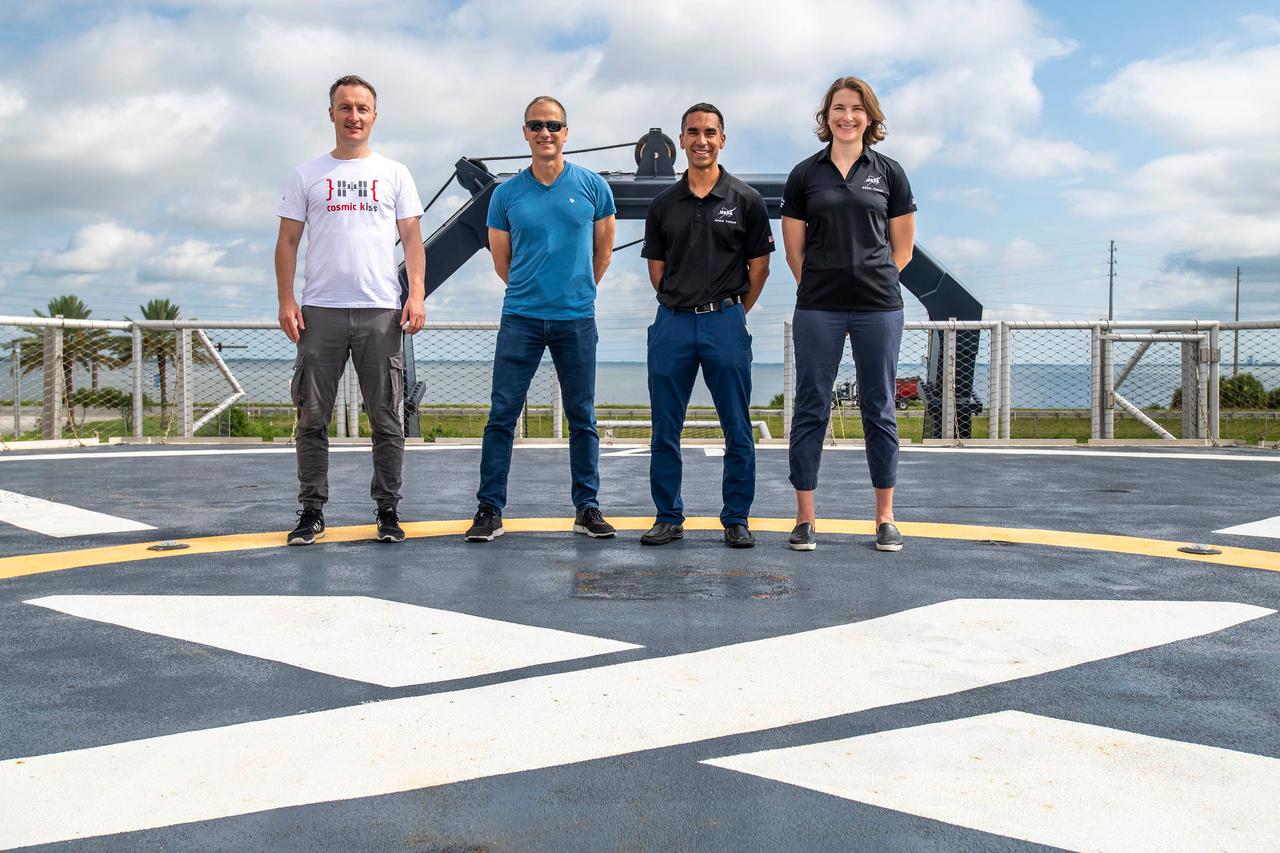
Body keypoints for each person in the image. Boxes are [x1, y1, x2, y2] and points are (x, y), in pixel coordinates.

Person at [276, 74, 425, 546]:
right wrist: (286, 300)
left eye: (362, 108)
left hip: (381, 310)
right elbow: (287, 242)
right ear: (332, 114)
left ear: (374, 116)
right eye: (345, 107)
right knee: (312, 416)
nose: (353, 116)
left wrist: (416, 294)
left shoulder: (395, 173)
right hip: (320, 311)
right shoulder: (307, 174)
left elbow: (413, 240)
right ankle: (312, 511)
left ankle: (387, 510)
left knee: (386, 417)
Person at [465, 96, 617, 542]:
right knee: (501, 416)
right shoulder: (506, 194)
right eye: (536, 125)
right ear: (525, 132)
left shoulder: (593, 187)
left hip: (575, 320)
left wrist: (576, 290)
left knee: (582, 417)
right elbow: (502, 261)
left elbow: (602, 253)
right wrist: (533, 291)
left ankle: (586, 507)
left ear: (566, 132)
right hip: (521, 319)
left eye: (553, 125)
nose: (545, 133)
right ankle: (489, 509)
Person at [781, 76, 916, 552]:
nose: (847, 116)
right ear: (827, 116)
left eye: (856, 109)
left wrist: (872, 279)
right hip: (819, 307)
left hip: (878, 307)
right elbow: (793, 251)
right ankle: (804, 519)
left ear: (870, 117)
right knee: (811, 406)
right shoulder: (805, 175)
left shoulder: (890, 172)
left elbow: (903, 249)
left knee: (879, 407)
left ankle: (884, 517)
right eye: (839, 107)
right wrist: (823, 284)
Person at [639, 103, 773, 548]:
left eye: (710, 132)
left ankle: (736, 517)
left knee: (737, 426)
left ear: (723, 139)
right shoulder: (662, 205)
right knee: (665, 427)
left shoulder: (747, 200)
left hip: (726, 323)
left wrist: (731, 313)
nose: (701, 140)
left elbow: (760, 270)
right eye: (693, 132)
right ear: (680, 140)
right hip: (672, 325)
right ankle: (667, 515)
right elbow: (656, 270)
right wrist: (683, 304)